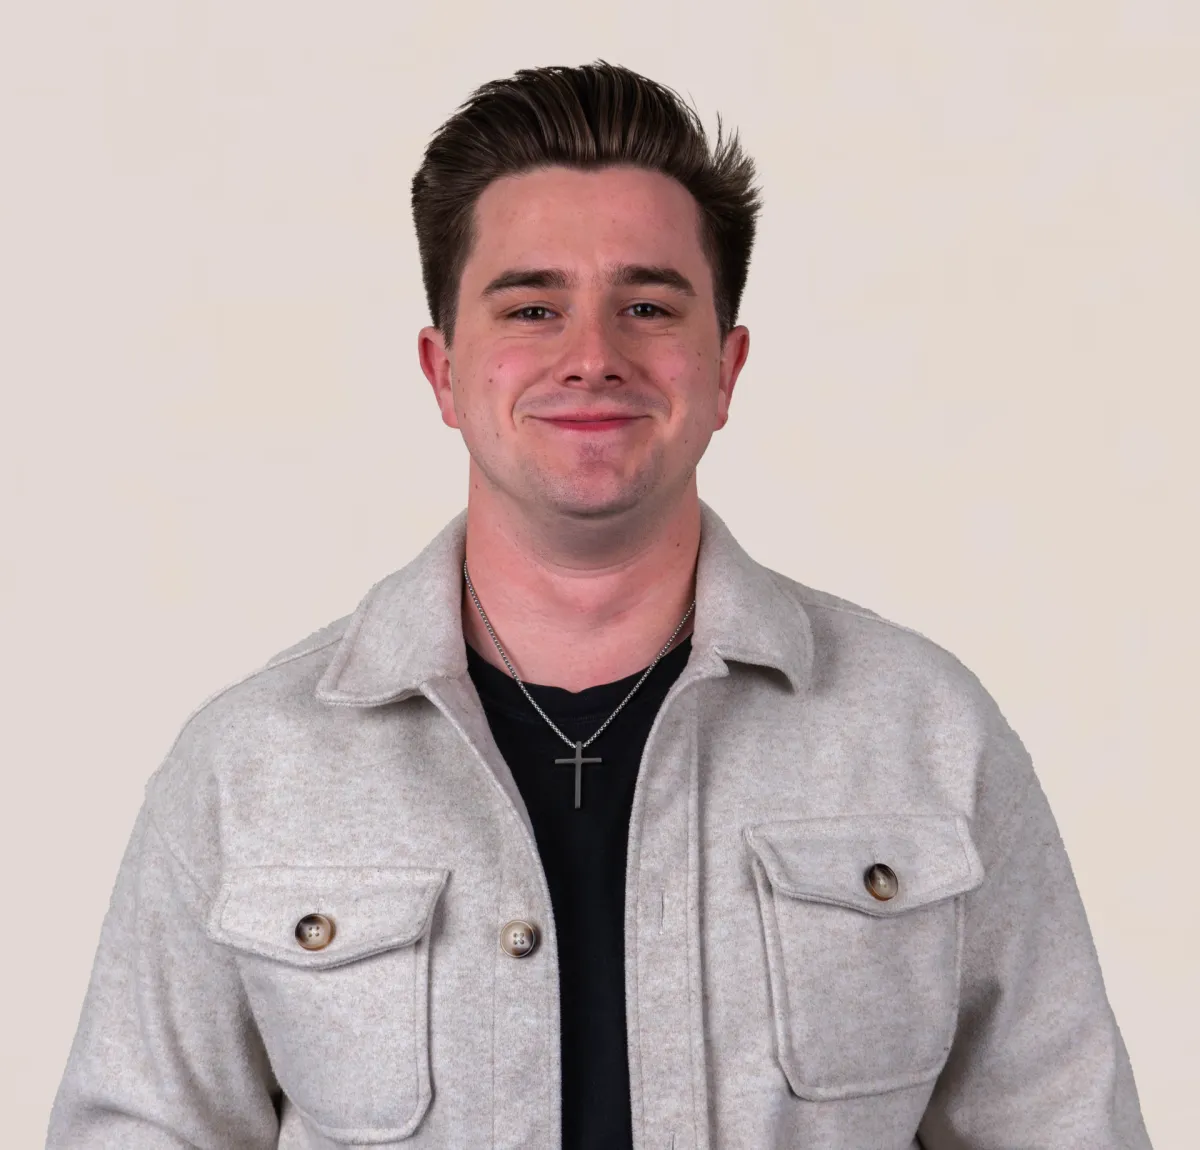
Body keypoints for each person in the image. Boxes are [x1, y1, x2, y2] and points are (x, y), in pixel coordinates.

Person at [48, 62, 1150, 1149]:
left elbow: (1065, 1123)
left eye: (647, 306)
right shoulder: (248, 766)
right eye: (532, 307)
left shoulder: (924, 732)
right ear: (442, 370)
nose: (592, 357)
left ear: (726, 369)